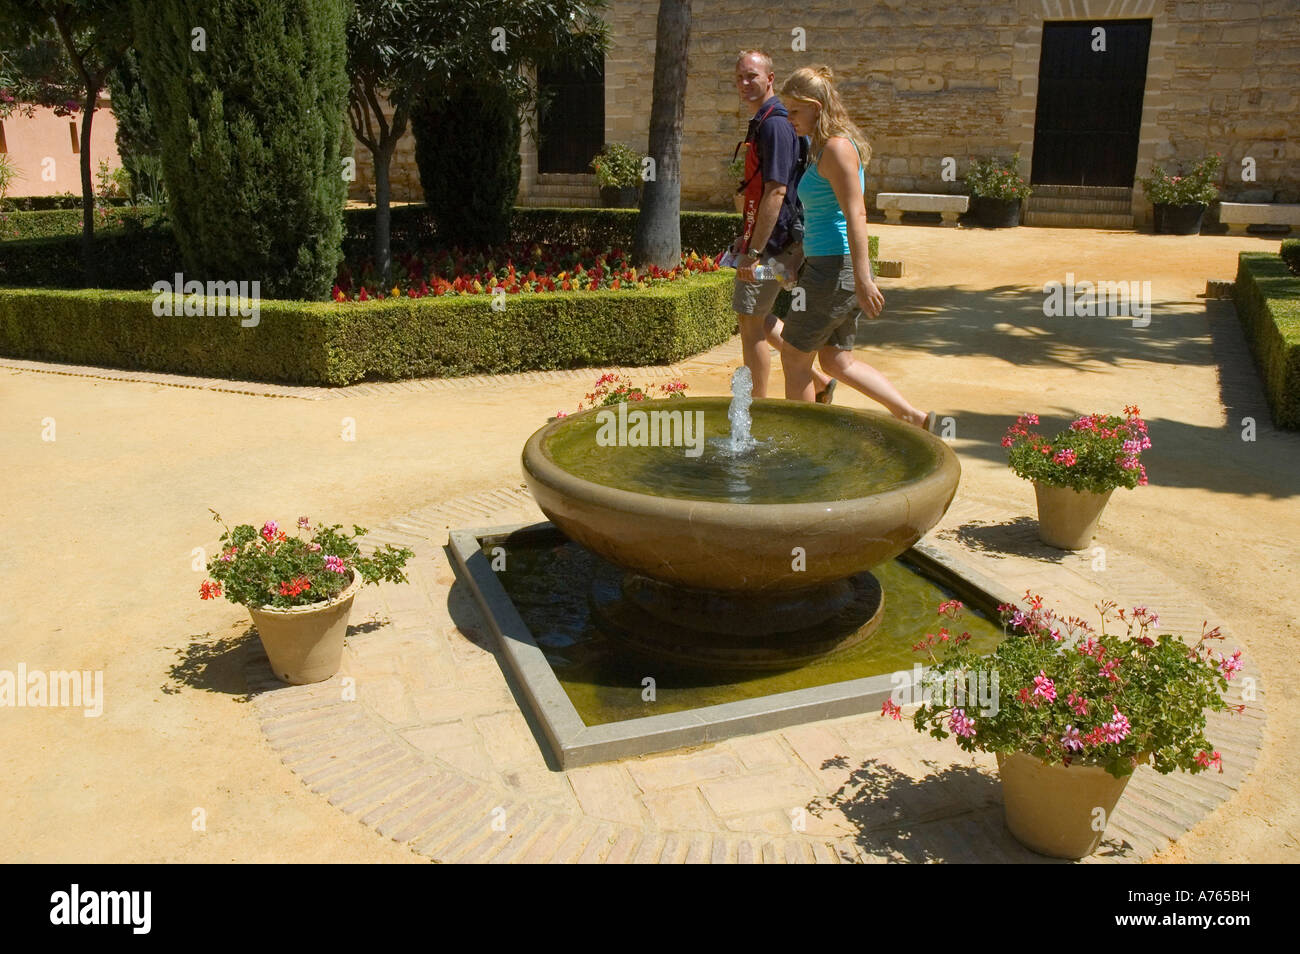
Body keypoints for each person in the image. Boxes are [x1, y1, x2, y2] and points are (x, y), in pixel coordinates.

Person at [760, 65, 935, 430]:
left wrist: (863, 278)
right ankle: (914, 417)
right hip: (827, 265)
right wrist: (797, 257)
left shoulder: (837, 148)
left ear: (816, 107)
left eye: (794, 110)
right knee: (837, 361)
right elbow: (826, 218)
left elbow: (855, 213)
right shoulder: (823, 147)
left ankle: (803, 448)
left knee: (794, 358)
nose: (789, 118)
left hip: (832, 271)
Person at [730, 50, 834, 402]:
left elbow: (776, 190)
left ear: (770, 78)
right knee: (761, 313)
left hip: (773, 242)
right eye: (740, 77)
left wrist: (754, 252)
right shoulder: (771, 118)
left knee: (749, 323)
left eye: (752, 76)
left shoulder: (773, 123)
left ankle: (755, 409)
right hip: (777, 237)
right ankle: (819, 382)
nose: (745, 84)